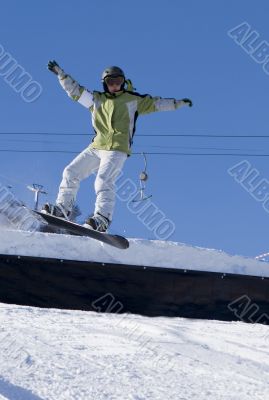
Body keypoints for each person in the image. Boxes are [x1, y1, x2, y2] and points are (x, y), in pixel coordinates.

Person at [42, 61, 193, 232]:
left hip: (117, 149)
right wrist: (61, 75)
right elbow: (75, 91)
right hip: (97, 146)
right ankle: (63, 208)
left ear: (123, 81)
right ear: (105, 84)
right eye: (110, 82)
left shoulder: (133, 100)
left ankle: (102, 218)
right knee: (71, 172)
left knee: (103, 180)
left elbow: (157, 103)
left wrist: (178, 103)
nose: (115, 85)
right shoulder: (96, 100)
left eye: (118, 81)